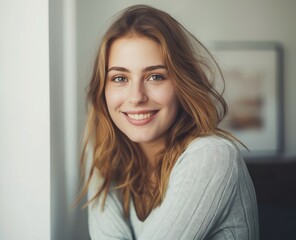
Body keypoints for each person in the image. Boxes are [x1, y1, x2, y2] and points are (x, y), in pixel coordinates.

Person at [78, 4, 259, 240]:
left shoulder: (211, 156)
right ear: (103, 89)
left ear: (181, 84)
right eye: (120, 78)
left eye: (155, 76)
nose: (136, 97)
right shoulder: (105, 155)